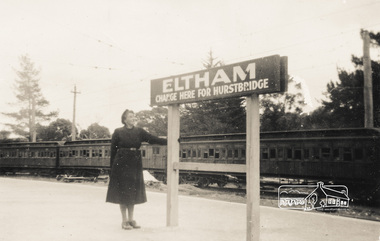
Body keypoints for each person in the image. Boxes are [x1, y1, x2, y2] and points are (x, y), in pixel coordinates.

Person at [106, 109, 167, 230]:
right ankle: (124, 221)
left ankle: (131, 219)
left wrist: (169, 140)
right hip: (121, 163)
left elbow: (153, 139)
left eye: (134, 116)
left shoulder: (139, 131)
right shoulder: (118, 132)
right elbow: (113, 152)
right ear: (125, 119)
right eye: (131, 116)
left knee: (132, 191)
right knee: (123, 192)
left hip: (135, 162)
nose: (134, 118)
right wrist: (111, 169)